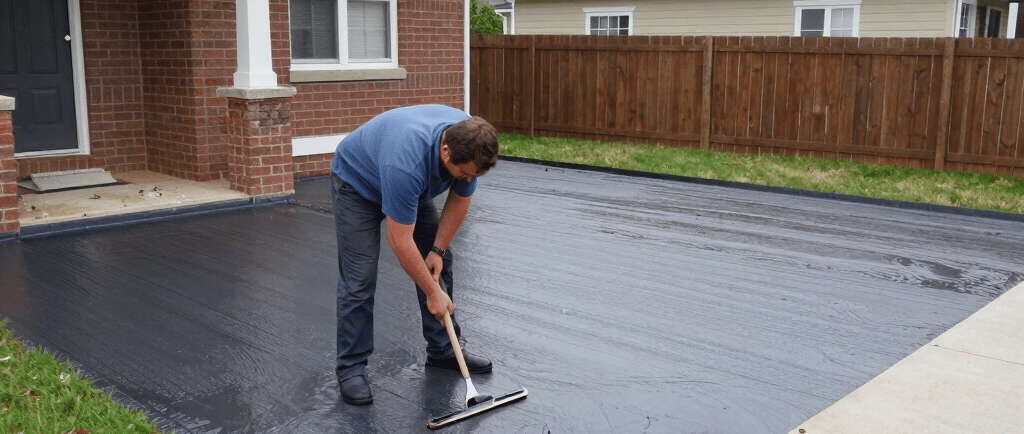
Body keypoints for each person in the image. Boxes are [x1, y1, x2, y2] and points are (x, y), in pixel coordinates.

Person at [330, 104, 499, 405]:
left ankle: (443, 351)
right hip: (358, 185)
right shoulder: (406, 163)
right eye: (463, 173)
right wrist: (433, 294)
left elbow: (461, 198)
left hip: (408, 185)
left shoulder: (472, 142)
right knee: (360, 278)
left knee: (440, 263)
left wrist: (437, 250)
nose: (466, 178)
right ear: (446, 152)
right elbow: (400, 241)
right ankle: (351, 368)